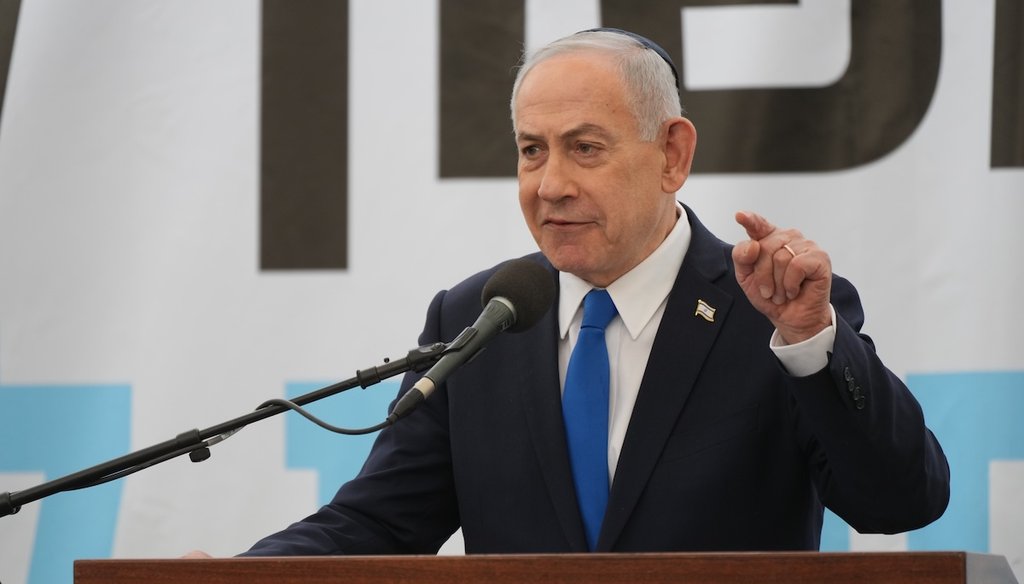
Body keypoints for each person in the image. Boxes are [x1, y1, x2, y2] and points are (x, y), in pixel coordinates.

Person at [238, 28, 949, 555]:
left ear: (672, 154)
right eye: (531, 150)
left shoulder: (772, 313)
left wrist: (810, 344)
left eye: (585, 148)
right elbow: (379, 524)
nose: (550, 186)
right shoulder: (478, 318)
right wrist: (239, 576)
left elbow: (900, 500)